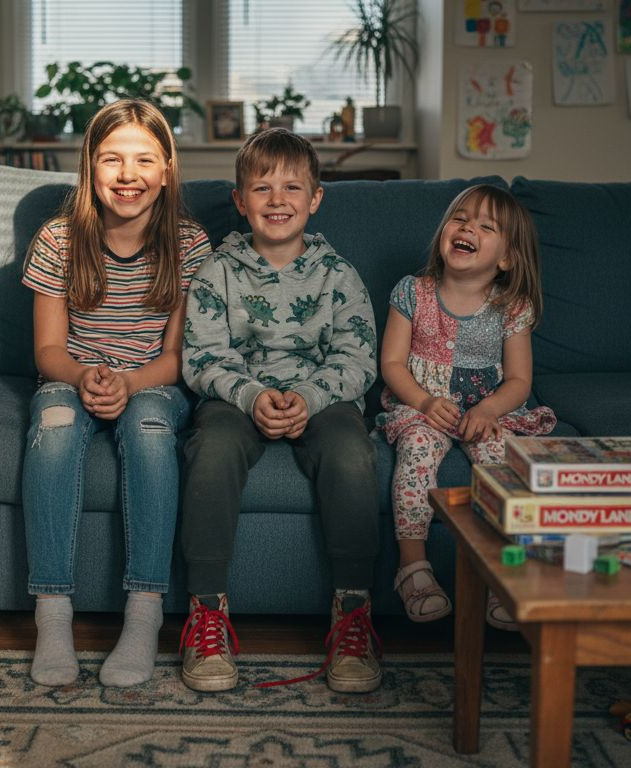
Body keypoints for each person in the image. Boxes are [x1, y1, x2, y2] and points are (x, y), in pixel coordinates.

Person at [179, 128, 382, 694]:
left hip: (322, 398)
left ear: (315, 199)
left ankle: (353, 611)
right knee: (211, 450)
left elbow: (358, 357)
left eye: (292, 187)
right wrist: (250, 396)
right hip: (236, 397)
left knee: (351, 453)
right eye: (262, 188)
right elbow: (202, 356)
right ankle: (207, 612)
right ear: (240, 201)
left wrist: (310, 398)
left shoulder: (337, 273)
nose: (277, 199)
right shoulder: (217, 271)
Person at [21, 99, 211, 687]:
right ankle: (52, 616)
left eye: (144, 160)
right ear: (90, 167)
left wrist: (129, 382)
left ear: (167, 171)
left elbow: (177, 359)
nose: (128, 174)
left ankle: (144, 613)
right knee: (53, 429)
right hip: (71, 375)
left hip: (152, 382)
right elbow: (48, 350)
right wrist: (84, 376)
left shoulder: (189, 244)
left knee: (150, 433)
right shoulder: (57, 239)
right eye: (112, 159)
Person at [375, 184, 556, 628]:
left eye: (486, 226)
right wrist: (423, 401)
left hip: (485, 411)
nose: (468, 228)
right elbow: (392, 363)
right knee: (416, 453)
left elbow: (520, 380)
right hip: (424, 407)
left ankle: (501, 576)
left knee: (501, 463)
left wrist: (490, 410)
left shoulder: (512, 307)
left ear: (506, 258)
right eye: (460, 218)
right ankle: (413, 569)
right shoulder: (412, 292)